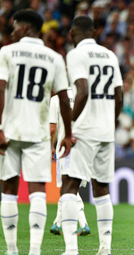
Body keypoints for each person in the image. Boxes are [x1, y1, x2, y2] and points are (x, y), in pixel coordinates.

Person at [0, 9, 72, 255]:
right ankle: (35, 251)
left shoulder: (7, 52)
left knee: (9, 190)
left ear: (25, 28)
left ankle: (12, 250)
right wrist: (67, 133)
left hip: (9, 130)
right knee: (37, 190)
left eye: (15, 26)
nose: (12, 31)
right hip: (38, 133)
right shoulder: (54, 58)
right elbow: (63, 99)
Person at [60, 15, 123, 255]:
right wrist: (111, 122)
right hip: (106, 130)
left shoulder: (75, 54)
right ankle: (105, 249)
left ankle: (71, 249)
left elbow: (83, 91)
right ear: (94, 32)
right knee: (102, 188)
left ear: (72, 34)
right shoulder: (110, 55)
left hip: (85, 130)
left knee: (69, 186)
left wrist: (70, 126)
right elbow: (119, 96)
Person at [49, 87, 91, 236]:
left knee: (68, 187)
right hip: (84, 147)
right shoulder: (85, 96)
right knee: (71, 187)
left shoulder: (55, 100)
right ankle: (57, 223)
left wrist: (51, 145)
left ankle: (83, 223)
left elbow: (52, 127)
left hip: (64, 147)